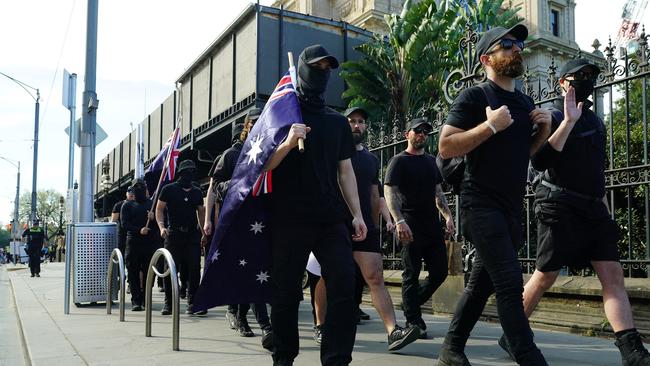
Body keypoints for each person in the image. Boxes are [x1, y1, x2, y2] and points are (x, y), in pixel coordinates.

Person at [496, 59, 650, 366]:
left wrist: (606, 211)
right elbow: (539, 162)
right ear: (561, 83)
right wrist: (567, 121)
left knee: (612, 274)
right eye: (577, 76)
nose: (585, 80)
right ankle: (512, 333)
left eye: (589, 76)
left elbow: (597, 171)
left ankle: (631, 350)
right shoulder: (550, 115)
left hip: (593, 207)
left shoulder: (596, 121)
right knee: (545, 276)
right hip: (559, 205)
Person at [436, 24, 552, 366]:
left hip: (511, 206)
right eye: (507, 45)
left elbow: (523, 155)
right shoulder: (475, 97)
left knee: (481, 283)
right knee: (508, 279)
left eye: (518, 44)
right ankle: (528, 355)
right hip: (479, 203)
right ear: (487, 58)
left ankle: (450, 349)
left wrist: (543, 131)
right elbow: (444, 146)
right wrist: (489, 126)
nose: (516, 49)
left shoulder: (524, 102)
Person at [264, 44, 367, 366]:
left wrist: (357, 214)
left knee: (344, 285)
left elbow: (345, 170)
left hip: (330, 218)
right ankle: (284, 357)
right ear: (303, 69)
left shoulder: (337, 122)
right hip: (289, 218)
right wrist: (286, 143)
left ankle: (336, 359)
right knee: (286, 293)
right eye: (317, 67)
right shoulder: (282, 113)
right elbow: (263, 166)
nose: (323, 73)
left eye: (328, 69)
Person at [204, 108, 273, 350]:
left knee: (253, 273)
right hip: (236, 220)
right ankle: (265, 325)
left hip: (261, 222)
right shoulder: (231, 155)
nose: (257, 126)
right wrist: (209, 220)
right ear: (246, 125)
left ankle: (242, 315)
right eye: (253, 122)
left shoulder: (269, 152)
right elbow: (215, 187)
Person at [384, 117, 454, 340]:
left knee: (440, 272)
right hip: (409, 225)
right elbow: (390, 193)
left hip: (432, 226)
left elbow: (438, 193)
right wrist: (398, 221)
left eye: (425, 131)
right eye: (417, 131)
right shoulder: (398, 161)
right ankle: (414, 320)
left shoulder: (431, 161)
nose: (422, 134)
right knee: (411, 274)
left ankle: (410, 305)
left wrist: (448, 217)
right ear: (407, 134)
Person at [155, 159, 207, 316]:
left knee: (194, 270)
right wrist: (161, 226)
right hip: (173, 235)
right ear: (180, 173)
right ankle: (169, 303)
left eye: (192, 172)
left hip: (192, 235)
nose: (189, 175)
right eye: (187, 172)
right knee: (170, 269)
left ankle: (193, 303)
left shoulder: (197, 192)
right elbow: (159, 209)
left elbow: (201, 212)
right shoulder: (168, 189)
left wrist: (204, 232)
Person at [120, 179, 158, 311]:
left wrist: (153, 219)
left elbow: (160, 224)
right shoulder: (127, 205)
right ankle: (136, 300)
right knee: (133, 271)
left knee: (148, 272)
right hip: (133, 242)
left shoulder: (151, 204)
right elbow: (125, 224)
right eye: (136, 187)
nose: (139, 189)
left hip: (148, 243)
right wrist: (139, 230)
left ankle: (146, 298)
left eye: (142, 187)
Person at [112, 187, 135, 255]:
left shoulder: (138, 204)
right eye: (129, 192)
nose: (131, 194)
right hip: (122, 234)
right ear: (126, 193)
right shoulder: (118, 205)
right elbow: (113, 221)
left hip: (134, 234)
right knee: (121, 253)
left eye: (133, 192)